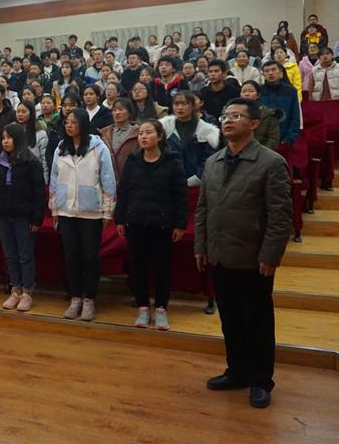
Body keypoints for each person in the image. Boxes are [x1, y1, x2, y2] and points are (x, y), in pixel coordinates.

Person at [195, 98, 292, 409]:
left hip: (253, 258)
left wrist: (270, 256)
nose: (228, 120)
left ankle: (261, 380)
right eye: (225, 116)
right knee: (231, 319)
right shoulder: (213, 162)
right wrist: (200, 245)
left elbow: (280, 216)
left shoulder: (271, 162)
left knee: (257, 321)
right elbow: (203, 208)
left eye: (236, 116)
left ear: (254, 124)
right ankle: (236, 371)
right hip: (219, 254)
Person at [115, 119, 187, 331]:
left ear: (160, 136)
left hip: (162, 224)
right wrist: (120, 218)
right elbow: (124, 191)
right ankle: (143, 307)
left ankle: (162, 308)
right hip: (136, 222)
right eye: (141, 133)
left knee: (162, 267)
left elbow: (180, 196)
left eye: (148, 132)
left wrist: (180, 224)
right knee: (138, 267)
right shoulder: (133, 161)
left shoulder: (172, 162)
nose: (143, 137)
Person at [49, 108, 117, 322]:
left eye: (74, 122)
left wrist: (107, 210)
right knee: (71, 256)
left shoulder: (98, 148)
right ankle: (75, 297)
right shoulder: (61, 148)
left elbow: (108, 180)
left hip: (91, 212)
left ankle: (89, 299)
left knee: (90, 257)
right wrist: (54, 208)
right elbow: (54, 178)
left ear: (84, 124)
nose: (69, 125)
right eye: (67, 122)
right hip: (66, 210)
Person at [0, 123, 45, 312]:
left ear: (18, 139)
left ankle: (27, 291)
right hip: (3, 216)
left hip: (24, 217)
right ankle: (15, 289)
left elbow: (39, 194)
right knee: (10, 255)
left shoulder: (32, 163)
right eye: (3, 138)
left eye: (9, 138)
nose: (5, 141)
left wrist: (36, 219)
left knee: (24, 255)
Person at [161, 91, 220, 187]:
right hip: (169, 182)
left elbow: (209, 159)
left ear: (192, 106)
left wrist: (195, 179)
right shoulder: (164, 128)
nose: (180, 107)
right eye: (176, 104)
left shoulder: (206, 130)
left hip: (196, 184)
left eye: (184, 103)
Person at [260, 61, 301, 146]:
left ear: (281, 73)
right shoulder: (259, 91)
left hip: (284, 137)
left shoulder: (291, 91)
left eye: (273, 70)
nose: (270, 73)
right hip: (263, 138)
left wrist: (290, 138)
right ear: (263, 74)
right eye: (267, 71)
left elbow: (295, 116)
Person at [98, 98, 140, 180]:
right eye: (114, 110)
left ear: (129, 112)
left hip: (131, 178)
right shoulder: (105, 134)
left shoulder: (137, 133)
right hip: (109, 178)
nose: (117, 113)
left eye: (121, 109)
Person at [14, 100, 48, 182]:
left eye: (24, 112)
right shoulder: (13, 131)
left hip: (34, 176)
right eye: (18, 112)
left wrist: (44, 179)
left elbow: (44, 159)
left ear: (31, 113)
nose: (20, 114)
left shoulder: (40, 133)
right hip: (17, 176)